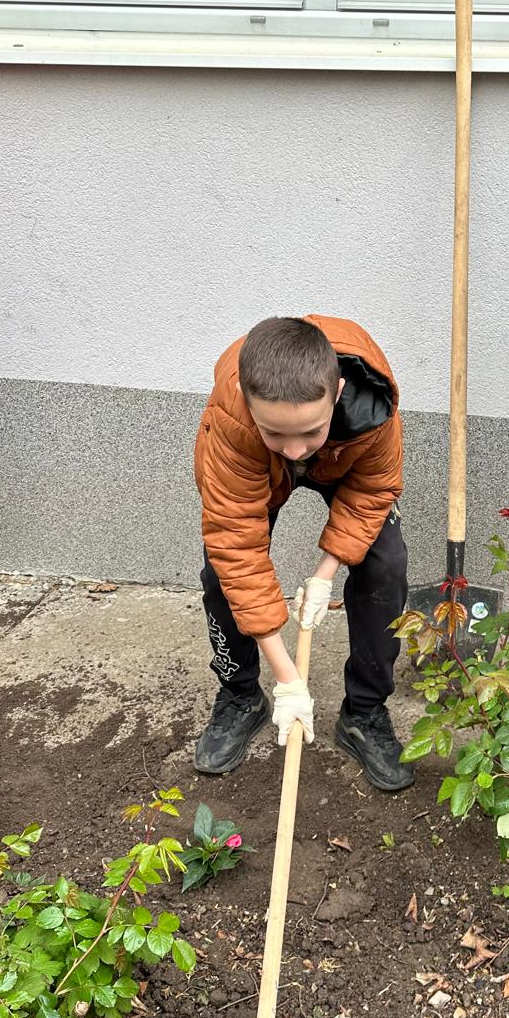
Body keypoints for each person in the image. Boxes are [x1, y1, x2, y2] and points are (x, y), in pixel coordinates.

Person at [193, 314, 414, 792]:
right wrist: (288, 678)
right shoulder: (232, 420)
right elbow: (237, 542)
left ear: (338, 393)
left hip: (344, 461)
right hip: (255, 465)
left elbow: (372, 491)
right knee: (220, 570)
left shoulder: (374, 406)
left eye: (309, 432)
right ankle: (241, 697)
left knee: (385, 563)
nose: (294, 451)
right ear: (247, 401)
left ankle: (364, 712)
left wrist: (325, 572)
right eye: (277, 434)